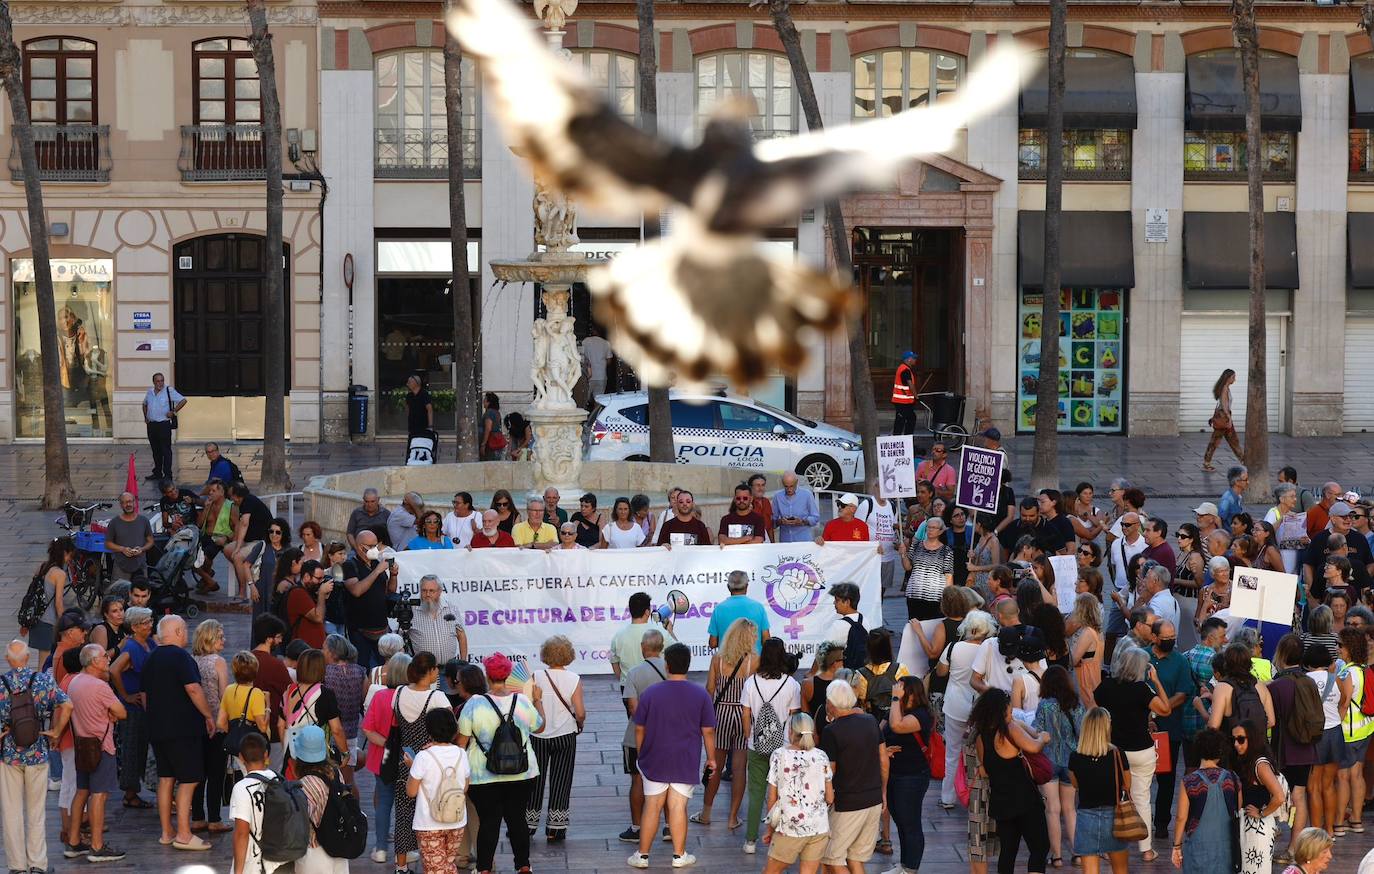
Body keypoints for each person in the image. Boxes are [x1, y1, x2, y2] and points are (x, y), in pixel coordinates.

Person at [627, 643, 717, 870]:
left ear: (667, 664)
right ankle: (679, 855)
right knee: (678, 807)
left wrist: (641, 752)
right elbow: (708, 731)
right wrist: (712, 758)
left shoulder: (651, 694)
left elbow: (639, 728)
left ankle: (642, 855)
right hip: (685, 760)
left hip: (654, 758)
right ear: (688, 665)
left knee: (652, 806)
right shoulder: (700, 695)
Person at [458, 653, 544, 874]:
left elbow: (462, 742)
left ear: (487, 675)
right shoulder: (523, 701)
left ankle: (484, 868)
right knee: (517, 820)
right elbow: (540, 727)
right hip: (522, 773)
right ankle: (523, 865)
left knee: (488, 822)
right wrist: (538, 699)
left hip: (483, 774)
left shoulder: (474, 704)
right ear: (508, 675)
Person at [143, 615, 215, 851]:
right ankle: (184, 833)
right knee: (189, 779)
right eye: (184, 630)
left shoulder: (151, 657)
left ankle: (167, 832)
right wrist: (207, 715)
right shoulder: (180, 656)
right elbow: (193, 689)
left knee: (166, 779)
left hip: (158, 728)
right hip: (183, 729)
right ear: (177, 632)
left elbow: (145, 696)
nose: (186, 634)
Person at [1092, 645, 1171, 860]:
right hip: (1141, 749)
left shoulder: (1107, 686)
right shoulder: (1142, 689)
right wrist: (1156, 681)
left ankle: (1109, 848)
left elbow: (1096, 703)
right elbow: (1165, 709)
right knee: (1142, 798)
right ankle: (1145, 849)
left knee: (1112, 798)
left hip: (1114, 750)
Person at [0, 638, 71, 874]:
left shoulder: (1, 685)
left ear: (8, 660)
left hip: (9, 755)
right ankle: (37, 864)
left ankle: (17, 866)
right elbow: (67, 705)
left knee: (11, 812)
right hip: (38, 751)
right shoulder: (42, 680)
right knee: (36, 811)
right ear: (28, 658)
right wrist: (56, 732)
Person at [971, 686, 1050, 874]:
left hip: (1001, 803)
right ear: (1001, 710)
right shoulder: (1009, 730)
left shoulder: (981, 738)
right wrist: (1043, 738)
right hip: (1025, 800)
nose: (1011, 711)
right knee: (1039, 848)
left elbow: (985, 770)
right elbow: (1033, 747)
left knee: (1008, 852)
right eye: (1008, 708)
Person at [65, 643, 127, 863]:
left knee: (82, 791)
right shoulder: (100, 687)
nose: (108, 659)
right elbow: (121, 712)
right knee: (99, 795)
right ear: (93, 662)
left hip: (82, 744)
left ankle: (73, 842)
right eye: (104, 656)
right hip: (101, 746)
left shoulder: (74, 682)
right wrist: (110, 713)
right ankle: (97, 846)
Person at [740, 638, 802, 854]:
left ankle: (750, 840)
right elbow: (794, 717)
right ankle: (781, 836)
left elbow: (745, 714)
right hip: (784, 747)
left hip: (756, 745)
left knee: (756, 792)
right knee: (784, 792)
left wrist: (750, 735)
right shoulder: (792, 685)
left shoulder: (750, 683)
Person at [818, 681, 886, 874]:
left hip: (848, 804)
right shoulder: (871, 721)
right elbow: (883, 760)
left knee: (832, 857)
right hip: (872, 800)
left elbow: (829, 773)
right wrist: (883, 792)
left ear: (831, 703)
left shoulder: (831, 731)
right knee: (855, 858)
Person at [700, 617, 757, 830]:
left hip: (721, 712)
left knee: (716, 763)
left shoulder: (718, 659)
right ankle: (733, 817)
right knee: (740, 769)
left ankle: (706, 812)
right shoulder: (755, 661)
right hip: (743, 714)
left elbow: (709, 689)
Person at [934, 609, 995, 809]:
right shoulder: (989, 649)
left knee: (951, 752)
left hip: (955, 705)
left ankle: (948, 796)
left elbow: (941, 672)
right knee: (982, 753)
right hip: (980, 706)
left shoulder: (954, 647)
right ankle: (979, 796)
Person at [527, 635, 584, 841]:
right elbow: (580, 712)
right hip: (565, 734)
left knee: (535, 780)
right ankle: (555, 828)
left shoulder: (536, 676)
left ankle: (529, 825)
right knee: (561, 780)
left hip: (538, 735)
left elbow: (529, 705)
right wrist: (580, 723)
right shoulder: (574, 679)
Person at [760, 712, 832, 874]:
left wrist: (770, 829)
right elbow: (830, 797)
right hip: (818, 827)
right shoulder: (821, 756)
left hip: (790, 827)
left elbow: (771, 798)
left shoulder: (779, 755)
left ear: (790, 732)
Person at [359, 652, 411, 864]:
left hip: (381, 758)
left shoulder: (379, 696)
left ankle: (380, 848)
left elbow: (367, 729)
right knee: (406, 804)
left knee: (384, 802)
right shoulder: (411, 697)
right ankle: (408, 850)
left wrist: (386, 743)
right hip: (408, 759)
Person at [1032, 665, 1085, 868]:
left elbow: (1038, 732)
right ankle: (1077, 852)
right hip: (1071, 761)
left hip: (1049, 761)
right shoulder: (1076, 705)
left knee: (1052, 809)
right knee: (1070, 809)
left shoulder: (1044, 705)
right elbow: (1082, 732)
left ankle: (1056, 856)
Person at [407, 707, 470, 873]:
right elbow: (464, 787)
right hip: (456, 820)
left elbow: (411, 792)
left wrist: (412, 768)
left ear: (429, 731)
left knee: (436, 869)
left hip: (429, 823)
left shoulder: (423, 757)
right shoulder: (461, 754)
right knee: (447, 865)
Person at [882, 676, 934, 874]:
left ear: (913, 693)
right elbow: (880, 732)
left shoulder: (921, 715)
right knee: (901, 821)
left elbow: (897, 726)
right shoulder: (895, 711)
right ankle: (904, 865)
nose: (898, 693)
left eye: (903, 690)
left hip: (912, 776)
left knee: (910, 822)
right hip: (893, 774)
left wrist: (895, 700)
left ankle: (911, 868)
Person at [622, 629, 670, 841]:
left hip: (637, 737)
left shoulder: (634, 673)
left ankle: (636, 828)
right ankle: (669, 826)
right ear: (660, 648)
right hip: (668, 735)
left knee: (638, 780)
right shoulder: (671, 671)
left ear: (643, 647)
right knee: (669, 781)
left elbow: (634, 709)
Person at [1068, 707, 1128, 874]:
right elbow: (1127, 785)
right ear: (1106, 727)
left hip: (1086, 818)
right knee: (1121, 870)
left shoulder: (1075, 757)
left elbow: (1075, 784)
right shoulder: (1117, 754)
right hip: (1114, 818)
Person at [1171, 727, 1240, 873]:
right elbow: (1238, 810)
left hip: (1197, 847)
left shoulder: (1189, 781)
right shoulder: (1233, 778)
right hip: (1226, 847)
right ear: (1220, 752)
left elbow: (1181, 818)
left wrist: (1176, 846)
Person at [287, 725, 352, 874]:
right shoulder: (336, 773)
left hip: (314, 852)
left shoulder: (305, 784)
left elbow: (300, 823)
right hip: (338, 847)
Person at [109, 605, 154, 810]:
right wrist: (125, 695)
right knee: (131, 749)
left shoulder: (149, 643)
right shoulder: (131, 648)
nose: (150, 625)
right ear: (135, 627)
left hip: (145, 707)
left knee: (141, 748)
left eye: (150, 621)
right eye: (145, 623)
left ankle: (134, 788)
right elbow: (114, 669)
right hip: (133, 708)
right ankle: (130, 792)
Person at [1226, 718, 1285, 874]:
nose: (1236, 744)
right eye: (1233, 739)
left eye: (1241, 739)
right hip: (1250, 827)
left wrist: (1261, 813)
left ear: (1251, 739)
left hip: (1258, 828)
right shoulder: (1247, 761)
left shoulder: (1260, 765)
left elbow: (1279, 797)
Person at [281, 649, 349, 783]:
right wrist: (345, 752)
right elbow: (336, 729)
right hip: (316, 751)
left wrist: (286, 747)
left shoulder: (289, 690)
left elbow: (280, 724)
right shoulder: (325, 693)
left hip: (292, 750)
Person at [1305, 642, 1351, 835]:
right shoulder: (1335, 680)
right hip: (1334, 733)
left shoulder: (1305, 680)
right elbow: (1343, 702)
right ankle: (1330, 830)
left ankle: (1316, 832)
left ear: (1308, 662)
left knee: (1313, 786)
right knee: (1329, 785)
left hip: (1314, 736)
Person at [189, 619, 230, 833]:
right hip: (217, 722)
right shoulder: (219, 662)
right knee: (216, 772)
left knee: (198, 772)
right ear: (210, 638)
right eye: (220, 636)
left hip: (196, 723)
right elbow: (224, 694)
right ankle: (214, 818)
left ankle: (197, 817)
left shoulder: (192, 660)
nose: (224, 640)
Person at [342, 530, 399, 670]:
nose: (375, 549)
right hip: (360, 630)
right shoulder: (350, 565)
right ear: (361, 547)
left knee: (385, 668)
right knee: (362, 669)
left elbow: (389, 591)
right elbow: (356, 590)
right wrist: (377, 571)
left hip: (381, 628)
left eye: (376, 545)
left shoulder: (376, 563)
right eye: (372, 546)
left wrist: (393, 575)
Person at [610, 592, 677, 700]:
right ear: (647, 612)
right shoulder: (659, 632)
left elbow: (615, 663)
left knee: (634, 717)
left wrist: (625, 681)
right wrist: (670, 631)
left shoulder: (618, 635)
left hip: (629, 688)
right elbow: (679, 652)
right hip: (656, 685)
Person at [321, 634, 366, 785]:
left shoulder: (326, 673)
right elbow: (364, 701)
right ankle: (353, 808)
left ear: (332, 653)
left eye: (324, 649)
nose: (322, 652)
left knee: (330, 781)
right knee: (348, 782)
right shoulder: (360, 672)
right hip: (352, 731)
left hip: (331, 730)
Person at [24, 536, 75, 667]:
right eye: (70, 555)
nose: (70, 559)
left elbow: (32, 593)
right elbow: (58, 603)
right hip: (48, 621)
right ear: (64, 553)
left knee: (44, 661)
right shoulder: (59, 574)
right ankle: (39, 686)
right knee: (45, 663)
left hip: (37, 619)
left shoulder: (42, 567)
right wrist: (65, 624)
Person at [225, 483, 274, 604]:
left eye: (232, 497)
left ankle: (242, 593)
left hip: (260, 542)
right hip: (250, 540)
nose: (231, 500)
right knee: (227, 549)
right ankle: (243, 571)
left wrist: (238, 548)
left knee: (237, 556)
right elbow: (240, 524)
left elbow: (245, 524)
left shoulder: (249, 502)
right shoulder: (243, 503)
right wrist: (236, 544)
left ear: (237, 496)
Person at [900, 515, 953, 620]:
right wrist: (903, 554)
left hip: (935, 597)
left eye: (934, 528)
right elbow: (908, 567)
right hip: (914, 595)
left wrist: (948, 598)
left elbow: (948, 576)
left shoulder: (946, 551)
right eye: (928, 527)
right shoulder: (916, 546)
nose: (930, 530)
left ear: (941, 531)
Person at [410, 574, 469, 664]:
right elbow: (400, 641)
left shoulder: (451, 609)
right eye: (424, 591)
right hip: (423, 670)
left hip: (449, 669)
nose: (428, 594)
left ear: (440, 591)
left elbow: (461, 636)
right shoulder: (411, 610)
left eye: (432, 591)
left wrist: (463, 663)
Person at [707, 570, 770, 650]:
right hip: (754, 661)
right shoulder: (758, 607)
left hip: (727, 661)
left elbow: (713, 643)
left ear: (728, 587)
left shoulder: (719, 609)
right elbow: (766, 641)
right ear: (747, 586)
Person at [142, 372, 188, 480]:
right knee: (155, 451)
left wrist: (173, 411)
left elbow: (183, 400)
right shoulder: (149, 392)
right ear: (153, 382)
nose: (160, 383)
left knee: (166, 451)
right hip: (152, 425)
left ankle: (168, 474)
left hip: (163, 425)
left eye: (162, 380)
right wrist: (146, 417)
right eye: (158, 381)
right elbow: (144, 404)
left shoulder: (169, 390)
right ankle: (157, 472)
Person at [105, 491, 154, 585]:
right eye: (124, 502)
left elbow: (150, 541)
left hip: (140, 565)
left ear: (134, 502)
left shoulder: (143, 520)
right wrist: (122, 549)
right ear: (121, 505)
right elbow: (108, 543)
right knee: (119, 595)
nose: (128, 504)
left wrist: (142, 549)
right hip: (121, 566)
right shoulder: (114, 522)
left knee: (141, 595)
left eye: (130, 501)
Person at [1202, 369, 1242, 471]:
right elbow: (1224, 405)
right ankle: (1206, 463)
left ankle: (1243, 459)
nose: (1235, 379)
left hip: (1223, 418)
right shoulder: (1224, 389)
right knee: (1218, 442)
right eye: (1233, 377)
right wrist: (1229, 418)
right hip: (1224, 419)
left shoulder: (1225, 388)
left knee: (1232, 441)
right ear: (1228, 378)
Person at [1068, 594, 1104, 707]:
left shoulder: (1087, 632)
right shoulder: (1098, 631)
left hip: (1085, 681)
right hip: (1094, 678)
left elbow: (1072, 660)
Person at [774, 473, 821, 543]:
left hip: (803, 540)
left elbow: (815, 517)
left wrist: (802, 522)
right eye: (786, 486)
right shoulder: (778, 496)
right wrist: (781, 521)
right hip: (785, 541)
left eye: (791, 486)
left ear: (796, 482)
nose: (789, 489)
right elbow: (773, 520)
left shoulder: (807, 495)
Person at [481, 392, 505, 460]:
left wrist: (483, 444)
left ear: (489, 402)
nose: (483, 401)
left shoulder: (489, 412)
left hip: (491, 443)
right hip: (497, 442)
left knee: (489, 463)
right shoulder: (497, 412)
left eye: (485, 400)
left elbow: (488, 428)